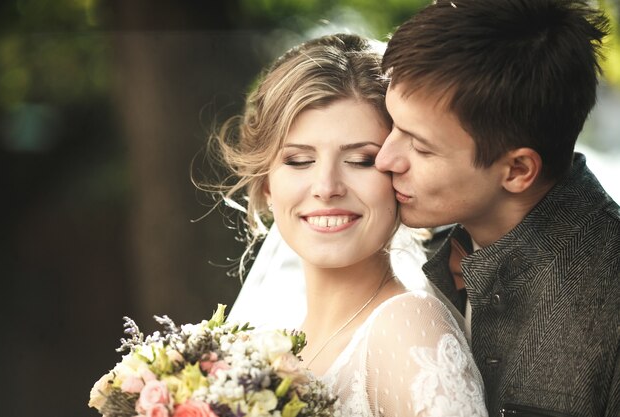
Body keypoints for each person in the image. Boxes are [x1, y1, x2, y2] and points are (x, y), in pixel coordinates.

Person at [204, 33, 488, 416]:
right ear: (266, 184)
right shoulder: (262, 343)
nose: (326, 188)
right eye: (299, 161)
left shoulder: (406, 329)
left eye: (361, 160)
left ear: (400, 176)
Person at [375, 0, 620, 415]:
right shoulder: (408, 254)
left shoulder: (608, 297)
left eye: (419, 146)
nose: (385, 159)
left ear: (518, 169)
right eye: (392, 124)